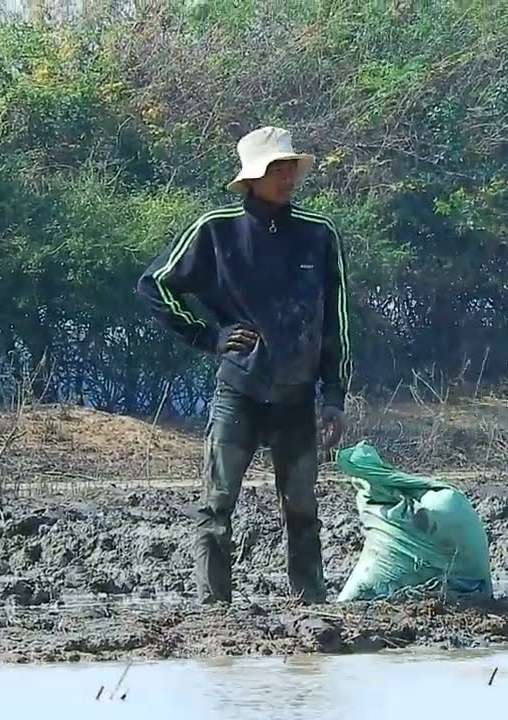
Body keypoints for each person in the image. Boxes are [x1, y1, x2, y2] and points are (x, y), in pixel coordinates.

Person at [136, 126, 352, 605]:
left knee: (302, 509)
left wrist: (334, 396)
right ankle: (215, 612)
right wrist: (207, 336)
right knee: (216, 507)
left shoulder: (319, 235)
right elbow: (156, 284)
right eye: (276, 169)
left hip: (297, 397)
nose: (286, 177)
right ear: (252, 178)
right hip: (239, 391)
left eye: (290, 167)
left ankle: (311, 606)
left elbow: (335, 320)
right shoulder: (216, 230)